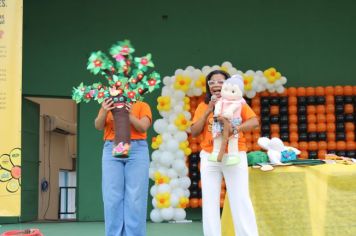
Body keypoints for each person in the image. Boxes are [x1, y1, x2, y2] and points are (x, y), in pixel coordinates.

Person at [191, 70, 259, 236]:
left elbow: (254, 121)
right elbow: (194, 131)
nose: (215, 85)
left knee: (240, 199)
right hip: (210, 156)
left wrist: (236, 129)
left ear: (229, 84)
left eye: (220, 82)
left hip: (234, 155)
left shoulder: (238, 102)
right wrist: (208, 110)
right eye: (212, 82)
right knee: (210, 203)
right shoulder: (203, 105)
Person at [95, 98, 152, 236]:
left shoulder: (142, 105)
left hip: (137, 148)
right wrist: (104, 109)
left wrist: (128, 113)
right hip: (111, 147)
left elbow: (143, 127)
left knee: (135, 197)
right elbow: (98, 125)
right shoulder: (108, 103)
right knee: (112, 196)